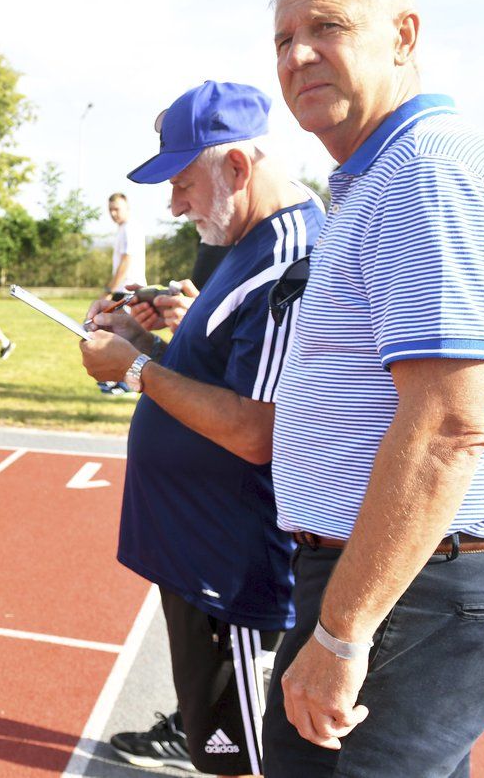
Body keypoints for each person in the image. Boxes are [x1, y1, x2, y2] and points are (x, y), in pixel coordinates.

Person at [262, 0, 484, 778]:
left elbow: (448, 428)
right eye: (282, 39)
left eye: (327, 26)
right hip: (406, 581)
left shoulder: (427, 175)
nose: (298, 54)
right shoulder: (385, 175)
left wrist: (342, 630)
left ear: (403, 35)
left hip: (406, 592)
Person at [81, 81, 324, 777]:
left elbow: (260, 430)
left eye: (183, 183)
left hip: (233, 565)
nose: (175, 204)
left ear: (239, 169)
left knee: (239, 760)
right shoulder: (246, 241)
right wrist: (147, 343)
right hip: (203, 556)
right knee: (218, 745)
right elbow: (219, 377)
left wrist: (133, 370)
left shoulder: (288, 259)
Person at [98, 192, 148, 395]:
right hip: (123, 290)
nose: (113, 213)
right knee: (115, 335)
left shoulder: (130, 228)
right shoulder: (123, 229)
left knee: (127, 338)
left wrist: (109, 290)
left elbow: (127, 261)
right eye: (110, 209)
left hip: (128, 290)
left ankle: (128, 383)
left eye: (117, 208)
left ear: (127, 207)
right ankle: (117, 380)